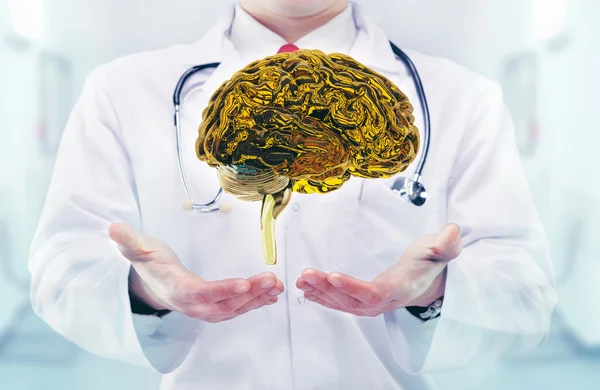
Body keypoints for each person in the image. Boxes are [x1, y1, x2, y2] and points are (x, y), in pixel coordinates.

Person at [28, 0, 557, 389]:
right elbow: (64, 264)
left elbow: (524, 288)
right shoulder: (122, 91)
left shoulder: (462, 98)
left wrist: (432, 289)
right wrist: (147, 292)